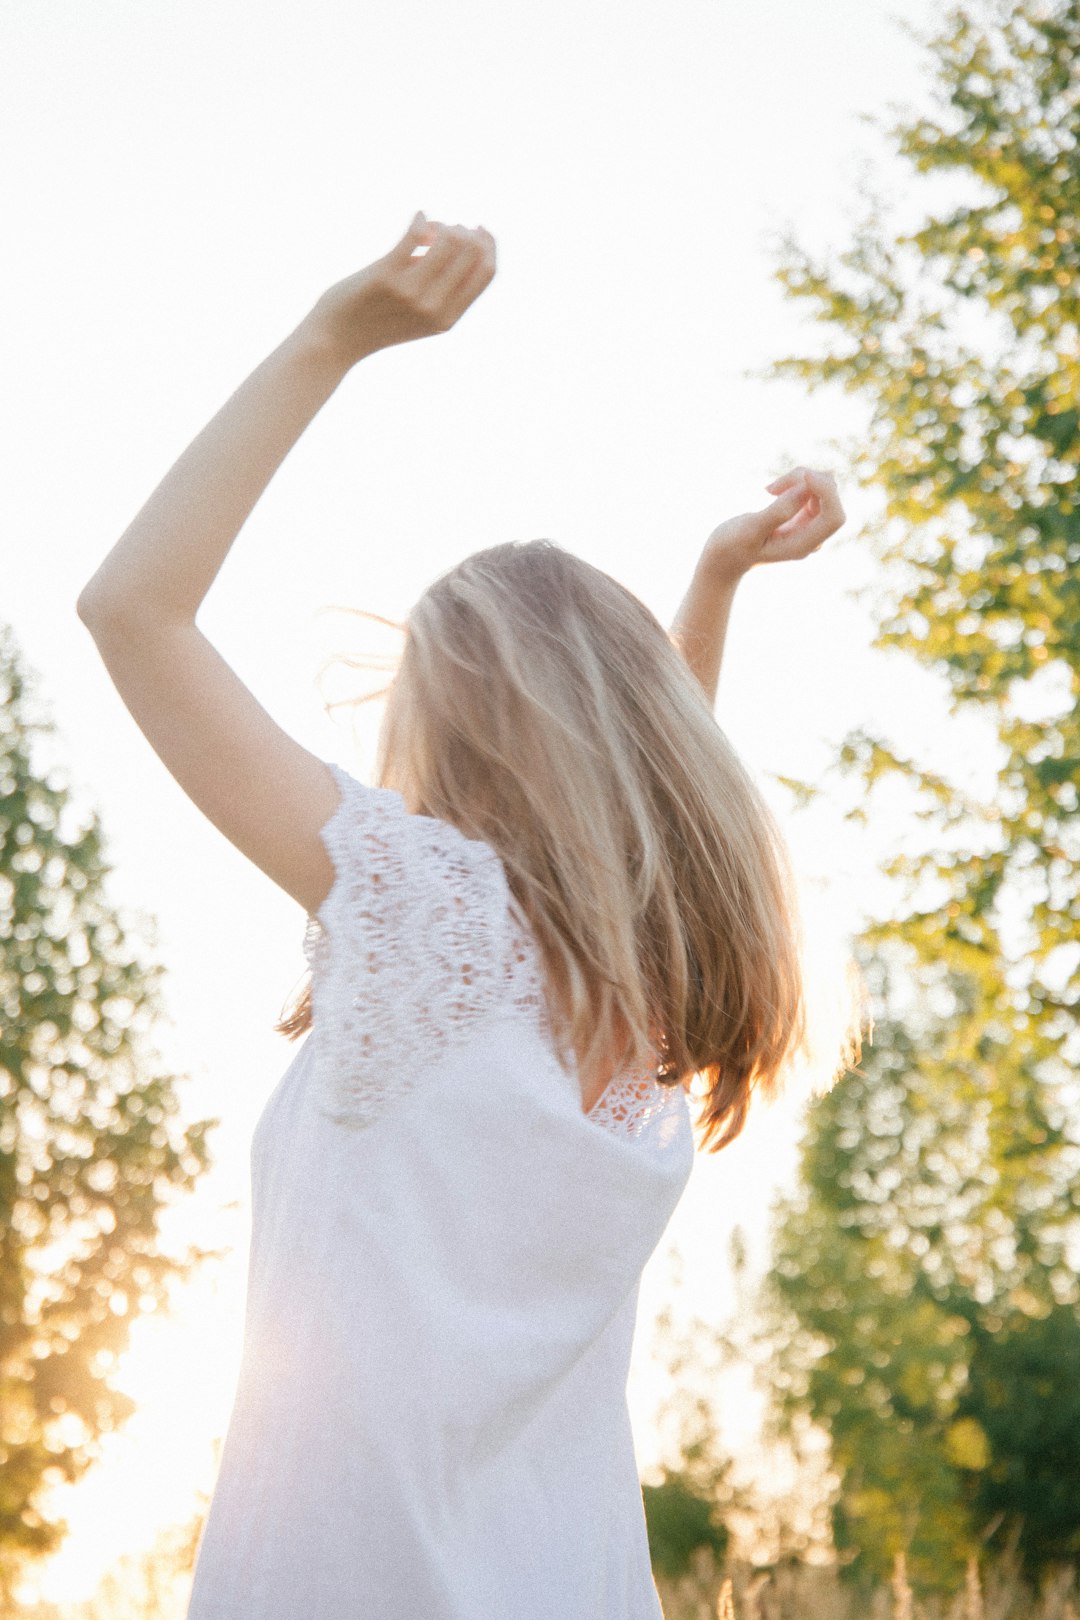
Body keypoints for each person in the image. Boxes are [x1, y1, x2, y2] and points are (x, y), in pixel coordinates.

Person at [77, 213, 848, 1620]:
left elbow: (133, 608)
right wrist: (715, 580)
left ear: (451, 723)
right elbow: (647, 823)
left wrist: (332, 339)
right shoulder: (657, 986)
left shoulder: (416, 907)